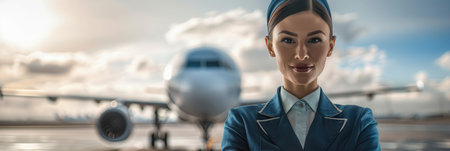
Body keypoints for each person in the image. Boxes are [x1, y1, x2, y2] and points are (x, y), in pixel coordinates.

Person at [221, 0, 381, 150]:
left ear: (331, 46)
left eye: (315, 40)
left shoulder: (360, 122)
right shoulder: (241, 123)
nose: (302, 54)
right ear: (270, 46)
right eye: (288, 41)